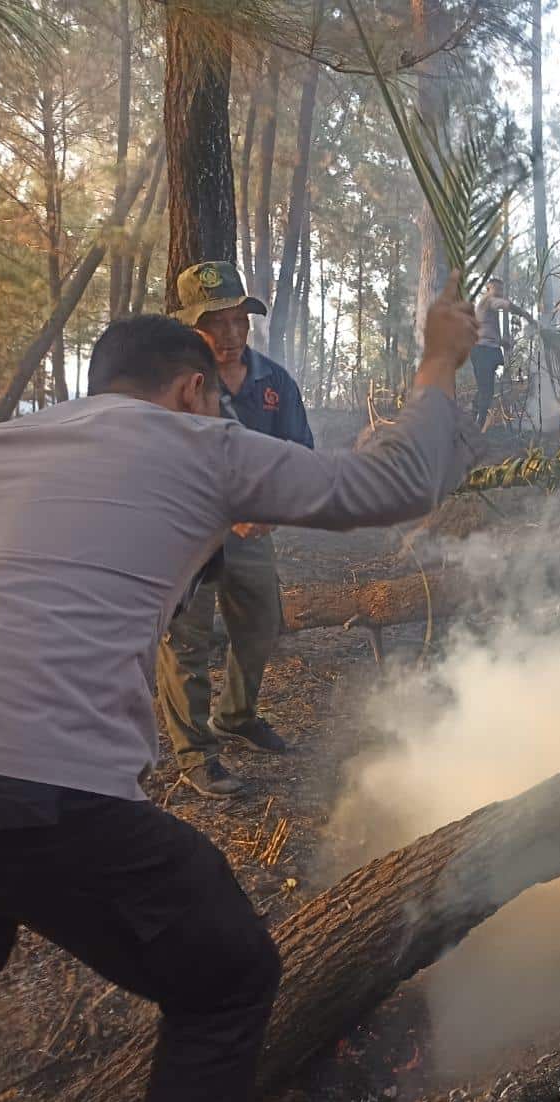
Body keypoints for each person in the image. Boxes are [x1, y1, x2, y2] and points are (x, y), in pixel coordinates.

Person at [0, 280, 480, 1102]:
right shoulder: (198, 441)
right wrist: (439, 358)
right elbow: (394, 483)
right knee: (230, 975)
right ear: (190, 391)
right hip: (25, 779)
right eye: (218, 398)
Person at [158, 261, 313, 798]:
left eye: (238, 320)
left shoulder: (273, 382)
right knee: (188, 643)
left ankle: (237, 716)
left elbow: (298, 453)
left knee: (260, 623)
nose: (229, 335)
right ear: (189, 328)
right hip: (190, 538)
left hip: (252, 534)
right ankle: (195, 753)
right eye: (214, 323)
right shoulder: (170, 390)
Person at [469, 277, 533, 431]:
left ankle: (473, 420)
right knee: (487, 391)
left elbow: (487, 331)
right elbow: (506, 305)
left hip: (484, 350)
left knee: (485, 389)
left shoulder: (486, 306)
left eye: (501, 289)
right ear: (488, 288)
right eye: (496, 288)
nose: (499, 292)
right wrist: (526, 315)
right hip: (484, 351)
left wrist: (502, 342)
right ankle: (477, 426)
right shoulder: (489, 301)